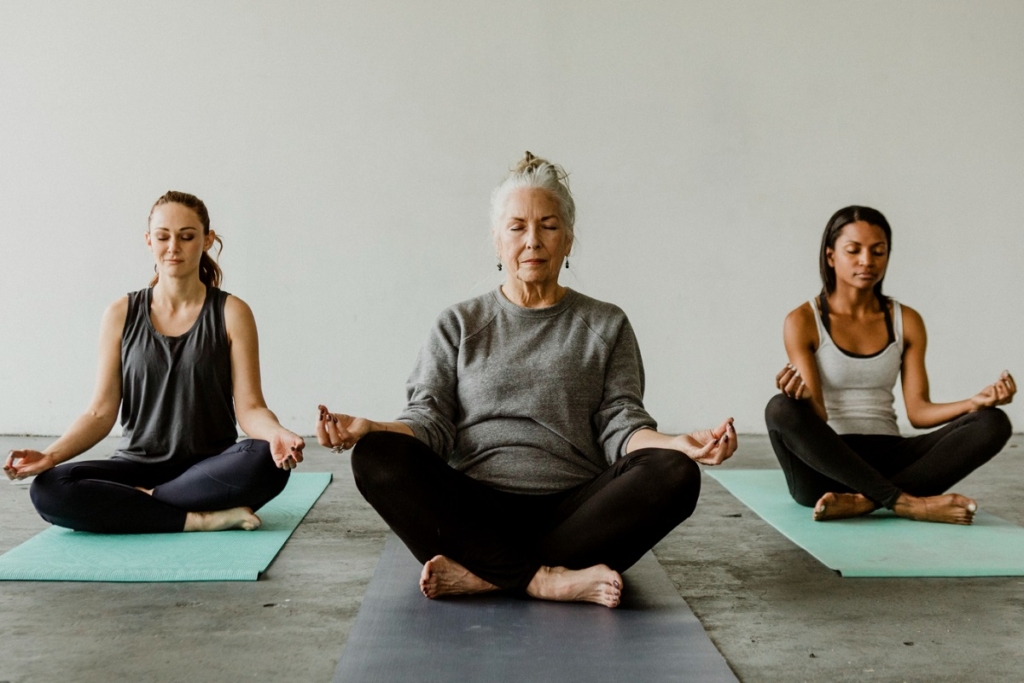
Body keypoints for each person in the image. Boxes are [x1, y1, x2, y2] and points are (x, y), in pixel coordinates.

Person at [317, 152, 737, 608]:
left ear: (569, 240)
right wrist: (370, 429)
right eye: (517, 227)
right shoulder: (458, 323)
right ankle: (546, 579)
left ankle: (489, 576)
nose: (532, 240)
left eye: (549, 226)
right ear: (497, 241)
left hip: (577, 513)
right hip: (475, 510)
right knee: (376, 456)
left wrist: (678, 444)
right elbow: (430, 422)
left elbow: (622, 424)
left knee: (675, 474)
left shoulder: (606, 323)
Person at [3, 191, 305, 533]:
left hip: (210, 469)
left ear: (207, 240)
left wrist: (277, 433)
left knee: (267, 460)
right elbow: (100, 413)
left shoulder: (232, 313)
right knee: (48, 489)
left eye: (187, 236)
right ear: (149, 241)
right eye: (163, 237)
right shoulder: (120, 313)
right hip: (135, 465)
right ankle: (197, 518)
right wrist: (51, 456)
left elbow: (250, 407)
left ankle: (139, 502)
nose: (173, 246)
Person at [765, 205, 1014, 525]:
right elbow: (820, 415)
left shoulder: (905, 320)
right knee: (779, 408)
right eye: (853, 250)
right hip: (827, 467)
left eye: (878, 251)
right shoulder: (803, 320)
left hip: (892, 460)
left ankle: (868, 502)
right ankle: (907, 502)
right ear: (830, 256)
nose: (867, 261)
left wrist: (975, 403)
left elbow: (918, 411)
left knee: (993, 423)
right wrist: (799, 399)